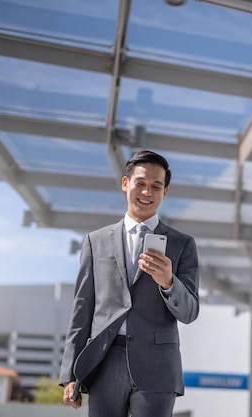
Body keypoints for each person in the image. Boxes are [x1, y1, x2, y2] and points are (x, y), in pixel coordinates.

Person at [59, 150, 199, 417]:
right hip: (104, 361)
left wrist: (168, 282)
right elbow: (82, 309)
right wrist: (69, 373)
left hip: (158, 367)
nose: (147, 192)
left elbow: (190, 312)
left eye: (156, 186)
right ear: (126, 184)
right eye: (141, 183)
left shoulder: (183, 245)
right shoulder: (95, 241)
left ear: (165, 192)